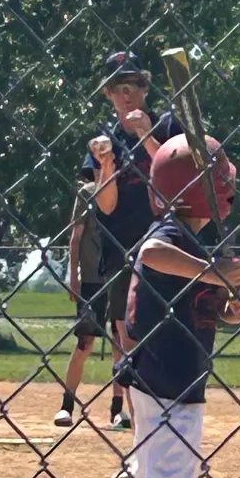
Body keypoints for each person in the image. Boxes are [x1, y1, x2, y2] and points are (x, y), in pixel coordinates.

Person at [89, 133, 240, 478]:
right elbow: (152, 253)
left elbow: (199, 305)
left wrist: (228, 305)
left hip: (165, 378)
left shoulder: (197, 241)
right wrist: (212, 272)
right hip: (168, 382)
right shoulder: (171, 233)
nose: (230, 181)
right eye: (221, 174)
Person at [56, 51, 178, 431]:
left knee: (166, 336)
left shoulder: (168, 127)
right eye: (117, 89)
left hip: (167, 245)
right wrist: (105, 165)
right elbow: (106, 206)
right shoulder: (104, 140)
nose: (127, 96)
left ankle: (164, 417)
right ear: (108, 95)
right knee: (127, 340)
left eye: (134, 86)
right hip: (122, 252)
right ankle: (142, 424)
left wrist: (145, 135)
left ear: (145, 89)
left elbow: (176, 182)